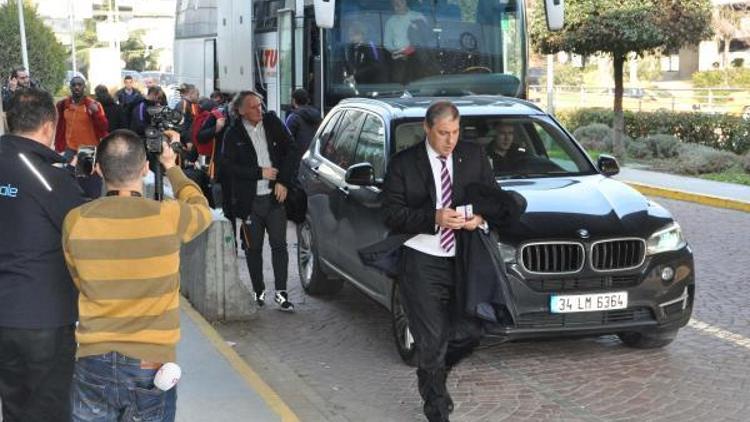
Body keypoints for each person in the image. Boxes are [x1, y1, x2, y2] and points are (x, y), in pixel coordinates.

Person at [62, 129, 212, 422]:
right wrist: (171, 166)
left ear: (98, 169)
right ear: (145, 168)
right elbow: (201, 209)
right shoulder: (168, 217)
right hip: (151, 364)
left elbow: (79, 280)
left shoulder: (76, 220)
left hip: (92, 359)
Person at [383, 100, 493, 422]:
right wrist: (433, 217)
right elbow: (391, 213)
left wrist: (480, 218)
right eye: (443, 133)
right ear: (427, 129)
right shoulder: (404, 164)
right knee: (431, 340)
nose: (450, 140)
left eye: (456, 132)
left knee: (472, 331)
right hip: (421, 260)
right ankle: (437, 409)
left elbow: (493, 198)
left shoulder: (473, 156)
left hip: (463, 259)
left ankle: (432, 373)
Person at [0, 88, 88, 422]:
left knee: (15, 407)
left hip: (6, 316)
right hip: (41, 316)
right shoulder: (49, 175)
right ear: (50, 126)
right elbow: (83, 228)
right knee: (48, 410)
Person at [222, 91, 298, 311]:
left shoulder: (272, 122)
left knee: (279, 246)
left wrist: (283, 181)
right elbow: (228, 167)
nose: (260, 110)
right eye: (254, 107)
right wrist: (259, 173)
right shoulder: (232, 134)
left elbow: (291, 150)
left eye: (261, 105)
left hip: (275, 198)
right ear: (241, 111)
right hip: (249, 202)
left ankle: (282, 294)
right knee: (252, 249)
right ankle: (258, 292)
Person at [55, 76, 109, 198]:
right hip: (70, 148)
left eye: (79, 85)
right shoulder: (63, 104)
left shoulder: (93, 104)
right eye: (74, 85)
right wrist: (59, 145)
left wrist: (95, 113)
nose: (77, 87)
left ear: (84, 87)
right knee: (68, 184)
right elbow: (60, 126)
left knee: (85, 187)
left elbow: (104, 126)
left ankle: (88, 210)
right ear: (70, 87)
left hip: (87, 149)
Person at [384, 0, 427, 84]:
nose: (397, 5)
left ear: (405, 2)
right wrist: (396, 52)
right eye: (394, 3)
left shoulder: (418, 16)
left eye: (400, 2)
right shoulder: (390, 22)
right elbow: (387, 43)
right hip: (399, 58)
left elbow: (426, 38)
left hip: (418, 56)